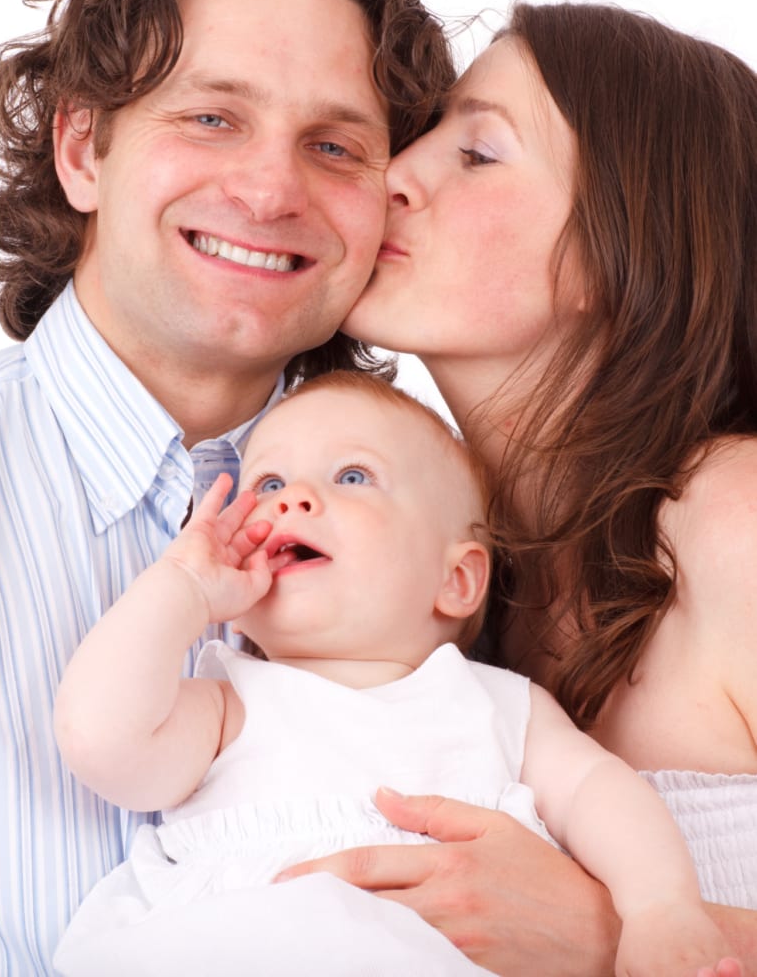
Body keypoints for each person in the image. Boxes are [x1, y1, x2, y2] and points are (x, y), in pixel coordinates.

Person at [0, 0, 455, 973]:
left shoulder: (445, 522)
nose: (268, 188)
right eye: (211, 117)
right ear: (81, 150)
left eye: (334, 145)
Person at [274, 3, 757, 972]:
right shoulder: (427, 559)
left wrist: (604, 932)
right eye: (427, 136)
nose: (395, 175)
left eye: (480, 152)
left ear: (624, 245)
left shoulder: (734, 520)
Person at [51, 372, 740, 977]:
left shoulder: (498, 707)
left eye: (352, 476)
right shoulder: (230, 707)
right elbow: (100, 741)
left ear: (457, 579)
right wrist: (184, 587)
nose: (292, 499)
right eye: (268, 482)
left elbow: (603, 795)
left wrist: (658, 908)